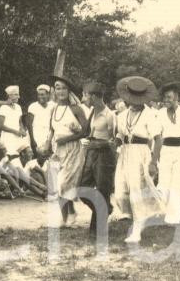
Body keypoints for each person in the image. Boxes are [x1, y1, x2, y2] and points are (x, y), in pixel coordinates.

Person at [113, 76, 163, 242]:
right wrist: (117, 142)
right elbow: (120, 134)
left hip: (141, 154)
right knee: (120, 191)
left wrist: (154, 162)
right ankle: (134, 216)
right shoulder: (122, 115)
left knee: (137, 191)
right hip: (125, 153)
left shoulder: (150, 115)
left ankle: (137, 230)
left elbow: (158, 139)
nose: (133, 102)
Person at [41, 75, 89, 227]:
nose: (60, 91)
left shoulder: (76, 109)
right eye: (57, 88)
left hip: (74, 149)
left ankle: (67, 216)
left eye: (63, 88)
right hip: (58, 151)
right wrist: (48, 144)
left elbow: (86, 131)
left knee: (63, 184)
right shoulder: (53, 109)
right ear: (54, 91)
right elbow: (51, 130)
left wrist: (67, 139)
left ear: (69, 91)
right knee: (60, 186)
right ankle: (69, 215)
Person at [78, 81, 118, 236]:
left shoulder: (110, 115)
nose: (83, 98)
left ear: (94, 96)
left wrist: (96, 145)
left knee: (103, 190)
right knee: (82, 189)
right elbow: (89, 132)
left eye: (85, 95)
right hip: (91, 153)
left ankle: (98, 228)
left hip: (104, 156)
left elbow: (112, 142)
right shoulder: (92, 112)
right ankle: (106, 209)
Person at [154, 82, 180, 226]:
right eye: (165, 97)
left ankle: (173, 219)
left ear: (176, 97)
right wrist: (156, 157)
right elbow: (157, 137)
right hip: (165, 150)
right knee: (163, 184)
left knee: (178, 184)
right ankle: (161, 212)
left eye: (169, 97)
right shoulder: (159, 113)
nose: (166, 100)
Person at [27, 84, 55, 159]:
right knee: (36, 157)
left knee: (47, 157)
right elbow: (29, 125)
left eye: (43, 95)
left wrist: (50, 139)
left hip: (47, 135)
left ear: (48, 95)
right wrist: (32, 140)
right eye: (39, 95)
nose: (40, 97)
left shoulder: (52, 106)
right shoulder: (33, 106)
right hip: (36, 135)